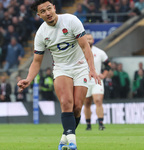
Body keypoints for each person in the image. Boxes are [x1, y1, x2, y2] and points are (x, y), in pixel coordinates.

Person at [17, 1, 100, 150]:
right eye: (43, 11)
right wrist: (28, 79)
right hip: (61, 68)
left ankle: (64, 138)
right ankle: (72, 143)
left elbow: (84, 46)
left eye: (49, 8)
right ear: (39, 15)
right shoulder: (41, 34)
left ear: (54, 8)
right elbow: (36, 61)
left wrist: (92, 69)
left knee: (77, 107)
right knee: (66, 102)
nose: (47, 13)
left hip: (80, 66)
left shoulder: (71, 20)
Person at [84, 33, 111, 131]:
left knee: (98, 101)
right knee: (87, 103)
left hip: (96, 81)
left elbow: (108, 64)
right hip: (84, 81)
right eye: (86, 39)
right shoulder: (79, 52)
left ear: (93, 40)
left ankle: (100, 123)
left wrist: (104, 75)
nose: (88, 40)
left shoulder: (100, 52)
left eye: (90, 39)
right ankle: (88, 124)